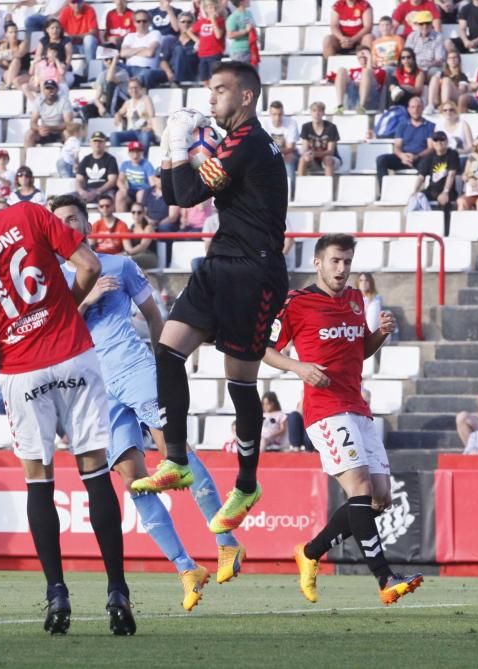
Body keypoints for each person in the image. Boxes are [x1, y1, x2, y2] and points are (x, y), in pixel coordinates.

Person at [0, 170, 134, 635]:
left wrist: (15, 348)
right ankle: (118, 592)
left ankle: (57, 594)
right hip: (75, 354)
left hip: (23, 372)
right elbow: (89, 265)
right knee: (96, 473)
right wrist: (65, 307)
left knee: (39, 482)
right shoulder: (26, 214)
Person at [51, 192, 242, 610]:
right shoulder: (52, 282)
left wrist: (167, 368)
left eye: (73, 219)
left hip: (133, 368)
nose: (68, 226)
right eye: (60, 221)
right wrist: (86, 299)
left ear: (87, 225)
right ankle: (185, 567)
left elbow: (155, 316)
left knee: (172, 450)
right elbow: (57, 335)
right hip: (93, 389)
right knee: (133, 478)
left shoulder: (118, 264)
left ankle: (226, 540)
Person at [131, 62, 289, 539]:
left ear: (247, 97)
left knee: (239, 381)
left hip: (253, 271)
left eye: (221, 90)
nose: (212, 98)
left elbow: (184, 193)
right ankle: (176, 459)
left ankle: (246, 485)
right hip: (220, 262)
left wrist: (177, 143)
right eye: (210, 90)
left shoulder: (247, 144)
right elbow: (181, 193)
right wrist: (172, 146)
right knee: (168, 349)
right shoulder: (234, 144)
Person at [264, 233, 423, 604]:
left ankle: (308, 553)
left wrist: (380, 335)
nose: (342, 268)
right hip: (324, 410)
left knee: (380, 499)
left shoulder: (354, 299)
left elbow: (360, 351)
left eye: (347, 262)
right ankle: (385, 580)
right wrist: (300, 367)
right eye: (335, 261)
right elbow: (264, 351)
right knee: (360, 488)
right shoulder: (297, 302)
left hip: (357, 407)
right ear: (317, 262)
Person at [375, 96, 434, 187]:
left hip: (420, 158)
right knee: (381, 160)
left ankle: (420, 191)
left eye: (418, 107)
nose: (415, 110)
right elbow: (397, 146)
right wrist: (402, 156)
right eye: (413, 107)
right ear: (408, 109)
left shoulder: (430, 125)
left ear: (422, 108)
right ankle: (384, 190)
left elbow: (431, 148)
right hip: (404, 158)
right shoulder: (402, 126)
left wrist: (417, 156)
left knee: (428, 163)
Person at [414, 130, 459, 234]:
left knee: (445, 202)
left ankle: (445, 232)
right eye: (436, 140)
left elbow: (452, 174)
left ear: (447, 141)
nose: (439, 142)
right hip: (432, 190)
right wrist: (414, 191)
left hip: (448, 190)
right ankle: (420, 227)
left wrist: (445, 191)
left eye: (442, 139)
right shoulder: (429, 157)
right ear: (433, 143)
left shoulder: (452, 154)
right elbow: (421, 177)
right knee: (415, 199)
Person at [120, 11, 166, 89]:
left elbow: (150, 53)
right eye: (138, 21)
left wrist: (131, 52)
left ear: (150, 22)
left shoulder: (155, 33)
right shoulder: (129, 36)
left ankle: (137, 92)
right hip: (129, 68)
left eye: (144, 21)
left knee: (146, 74)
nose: (142, 24)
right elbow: (122, 54)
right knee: (111, 68)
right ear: (134, 23)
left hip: (146, 68)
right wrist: (142, 48)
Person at [334, 46, 385, 114]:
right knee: (341, 70)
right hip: (353, 98)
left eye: (365, 57)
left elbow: (371, 76)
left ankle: (362, 106)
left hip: (370, 100)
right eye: (360, 58)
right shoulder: (353, 71)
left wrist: (370, 59)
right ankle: (340, 106)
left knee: (366, 71)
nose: (363, 60)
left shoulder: (380, 71)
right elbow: (337, 79)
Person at [110, 77, 157, 150]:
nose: (134, 90)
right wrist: (118, 115)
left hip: (144, 131)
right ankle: (118, 158)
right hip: (131, 132)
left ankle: (143, 160)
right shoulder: (128, 102)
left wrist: (149, 126)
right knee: (114, 136)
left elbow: (152, 115)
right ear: (128, 90)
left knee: (145, 137)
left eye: (136, 87)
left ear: (140, 88)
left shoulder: (146, 99)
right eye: (131, 88)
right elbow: (119, 112)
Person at [23, 78, 73, 148]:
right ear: (43, 90)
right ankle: (28, 158)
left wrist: (51, 128)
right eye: (47, 88)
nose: (50, 91)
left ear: (57, 90)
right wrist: (39, 129)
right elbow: (33, 122)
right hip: (44, 132)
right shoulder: (38, 101)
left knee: (68, 133)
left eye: (52, 88)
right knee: (29, 135)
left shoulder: (64, 101)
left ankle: (68, 158)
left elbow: (68, 124)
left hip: (59, 131)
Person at [297, 101, 341, 177]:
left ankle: (329, 188)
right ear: (311, 113)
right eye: (314, 111)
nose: (317, 114)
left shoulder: (331, 127)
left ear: (323, 113)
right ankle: (300, 186)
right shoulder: (306, 127)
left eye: (319, 111)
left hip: (332, 159)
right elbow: (305, 148)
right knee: (303, 159)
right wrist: (307, 155)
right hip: (313, 159)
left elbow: (330, 151)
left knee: (328, 159)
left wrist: (315, 154)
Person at [404, 11, 446, 86]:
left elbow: (439, 59)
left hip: (430, 68)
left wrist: (425, 68)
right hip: (414, 67)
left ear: (431, 23)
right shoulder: (412, 36)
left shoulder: (438, 37)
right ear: (417, 24)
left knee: (435, 72)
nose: (425, 26)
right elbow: (406, 54)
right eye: (421, 23)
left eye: (427, 23)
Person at [76, 131, 119, 203]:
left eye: (100, 141)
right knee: (69, 198)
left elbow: (112, 181)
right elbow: (79, 179)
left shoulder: (110, 159)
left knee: (109, 199)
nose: (97, 144)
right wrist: (81, 191)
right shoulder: (86, 159)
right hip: (87, 190)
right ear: (91, 143)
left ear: (104, 143)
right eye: (95, 141)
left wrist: (97, 192)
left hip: (105, 191)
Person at [158, 11, 198, 85]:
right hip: (170, 72)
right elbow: (163, 61)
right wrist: (168, 72)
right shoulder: (170, 40)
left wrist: (190, 34)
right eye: (183, 22)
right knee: (149, 75)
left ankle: (176, 81)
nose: (186, 24)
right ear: (178, 24)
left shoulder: (197, 41)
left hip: (190, 72)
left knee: (179, 49)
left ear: (194, 24)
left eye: (189, 22)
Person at [265, 100, 300, 185]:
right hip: (271, 155)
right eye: (274, 114)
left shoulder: (291, 123)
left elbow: (290, 148)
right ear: (270, 114)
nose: (277, 117)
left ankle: (290, 192)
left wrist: (275, 152)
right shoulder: (264, 124)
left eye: (280, 114)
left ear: (283, 113)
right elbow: (264, 147)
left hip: (287, 154)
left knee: (288, 158)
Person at [115, 140, 154, 212]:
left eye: (138, 152)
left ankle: (140, 219)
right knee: (119, 194)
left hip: (144, 191)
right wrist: (123, 189)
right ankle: (121, 219)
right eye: (133, 152)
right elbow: (120, 180)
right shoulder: (125, 164)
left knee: (140, 194)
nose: (135, 155)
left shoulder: (147, 164)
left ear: (141, 153)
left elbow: (152, 182)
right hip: (131, 191)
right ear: (129, 153)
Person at [193, 0, 225, 84]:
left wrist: (213, 20)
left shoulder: (220, 21)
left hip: (214, 53)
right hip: (202, 54)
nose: (213, 9)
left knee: (214, 77)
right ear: (206, 9)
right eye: (210, 7)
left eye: (214, 7)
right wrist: (197, 40)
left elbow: (218, 35)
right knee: (204, 79)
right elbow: (189, 31)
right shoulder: (201, 22)